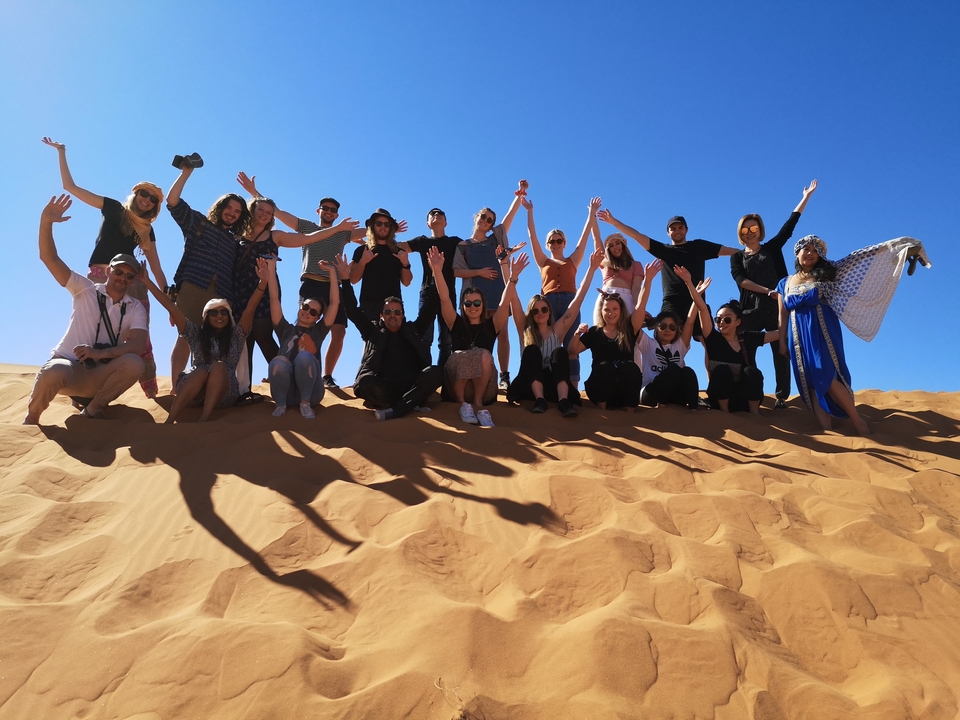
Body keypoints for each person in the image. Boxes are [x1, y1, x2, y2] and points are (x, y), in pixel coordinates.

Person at [42, 137, 167, 398]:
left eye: (153, 198)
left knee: (141, 338)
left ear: (156, 205)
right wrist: (62, 152)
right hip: (101, 276)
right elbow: (70, 186)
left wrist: (166, 294)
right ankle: (81, 383)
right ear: (136, 194)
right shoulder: (112, 208)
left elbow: (155, 265)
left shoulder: (147, 230)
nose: (147, 199)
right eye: (144, 193)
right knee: (93, 330)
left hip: (131, 280)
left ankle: (151, 392)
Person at [776, 234, 929, 435]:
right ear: (797, 253)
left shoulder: (829, 274)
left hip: (822, 329)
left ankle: (858, 421)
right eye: (806, 249)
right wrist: (781, 342)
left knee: (826, 375)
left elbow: (861, 259)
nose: (810, 253)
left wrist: (899, 248)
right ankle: (827, 431)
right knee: (810, 381)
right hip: (798, 335)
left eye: (815, 250)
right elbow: (782, 314)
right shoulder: (784, 283)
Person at [235, 173, 373, 389]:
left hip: (333, 286)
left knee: (339, 330)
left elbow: (372, 232)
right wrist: (254, 193)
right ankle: (290, 370)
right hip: (310, 283)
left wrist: (387, 226)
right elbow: (276, 212)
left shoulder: (343, 234)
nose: (328, 212)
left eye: (332, 210)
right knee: (303, 328)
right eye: (325, 208)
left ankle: (326, 376)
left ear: (337, 215)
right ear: (318, 211)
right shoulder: (306, 227)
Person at [24, 196, 147, 424]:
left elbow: (138, 344)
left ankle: (91, 412)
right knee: (54, 371)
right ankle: (32, 419)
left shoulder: (134, 306)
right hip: (69, 366)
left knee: (135, 363)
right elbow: (49, 258)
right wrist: (46, 221)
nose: (123, 278)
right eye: (119, 272)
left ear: (133, 280)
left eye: (130, 275)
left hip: (100, 373)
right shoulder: (85, 289)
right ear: (108, 271)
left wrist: (99, 354)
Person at [142, 259, 267, 423]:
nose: (219, 316)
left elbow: (250, 307)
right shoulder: (195, 333)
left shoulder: (236, 335)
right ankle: (169, 420)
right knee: (200, 371)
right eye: (213, 313)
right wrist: (146, 281)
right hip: (194, 390)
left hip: (223, 394)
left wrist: (263, 282)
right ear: (206, 317)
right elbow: (171, 307)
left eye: (223, 312)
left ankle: (204, 419)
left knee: (218, 366)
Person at [730, 180, 817, 408]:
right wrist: (768, 290)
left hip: (777, 306)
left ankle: (781, 397)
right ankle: (752, 392)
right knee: (746, 348)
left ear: (760, 230)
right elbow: (742, 281)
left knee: (781, 350)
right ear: (741, 232)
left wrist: (805, 196)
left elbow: (790, 226)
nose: (750, 233)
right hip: (750, 309)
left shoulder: (771, 248)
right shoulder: (737, 257)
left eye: (754, 229)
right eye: (746, 229)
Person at [166, 157, 252, 388]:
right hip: (194, 285)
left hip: (222, 294)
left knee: (217, 344)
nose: (232, 213)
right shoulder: (199, 223)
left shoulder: (236, 242)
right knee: (186, 336)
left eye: (237, 211)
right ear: (220, 207)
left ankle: (211, 387)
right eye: (229, 207)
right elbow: (173, 201)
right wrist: (186, 173)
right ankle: (176, 386)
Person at [427, 246, 525, 427]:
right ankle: (462, 404)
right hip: (456, 383)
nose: (473, 306)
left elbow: (504, 305)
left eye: (477, 302)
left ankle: (478, 405)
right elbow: (445, 299)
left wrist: (513, 278)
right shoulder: (455, 322)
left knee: (483, 354)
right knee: (462, 354)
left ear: (483, 304)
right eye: (468, 303)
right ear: (463, 306)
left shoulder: (491, 325)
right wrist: (437, 271)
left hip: (484, 386)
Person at [598, 208, 738, 325]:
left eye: (680, 228)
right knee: (667, 336)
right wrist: (614, 222)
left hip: (696, 300)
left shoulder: (699, 246)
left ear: (686, 230)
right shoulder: (663, 250)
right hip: (672, 302)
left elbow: (728, 250)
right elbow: (636, 235)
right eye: (673, 228)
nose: (677, 231)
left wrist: (751, 252)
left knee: (706, 340)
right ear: (668, 232)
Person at [507, 249, 604, 416]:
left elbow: (578, 298)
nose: (540, 313)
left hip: (552, 385)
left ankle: (564, 402)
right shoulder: (525, 329)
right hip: (529, 386)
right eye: (535, 311)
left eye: (544, 309)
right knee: (531, 350)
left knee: (559, 351)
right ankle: (539, 400)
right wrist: (512, 275)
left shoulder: (557, 329)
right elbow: (513, 298)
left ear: (549, 311)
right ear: (531, 314)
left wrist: (592, 269)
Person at [453, 180, 527, 391]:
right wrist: (479, 272)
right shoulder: (463, 245)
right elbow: (457, 271)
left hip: (498, 294)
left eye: (490, 220)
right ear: (476, 217)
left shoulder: (496, 238)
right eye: (483, 217)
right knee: (474, 336)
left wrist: (520, 195)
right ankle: (473, 376)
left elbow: (510, 217)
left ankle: (503, 376)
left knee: (502, 333)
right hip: (474, 299)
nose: (486, 221)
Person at [521, 195, 600, 387]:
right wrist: (530, 212)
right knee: (550, 344)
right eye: (552, 242)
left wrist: (591, 214)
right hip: (547, 305)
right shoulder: (543, 261)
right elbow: (532, 236)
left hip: (569, 302)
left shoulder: (572, 260)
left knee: (572, 346)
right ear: (548, 245)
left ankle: (572, 386)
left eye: (559, 240)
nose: (555, 244)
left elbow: (583, 240)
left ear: (564, 243)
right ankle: (550, 382)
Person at [341, 274, 443, 422]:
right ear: (381, 315)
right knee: (364, 383)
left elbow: (431, 306)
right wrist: (345, 279)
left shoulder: (414, 330)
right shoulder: (372, 331)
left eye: (397, 312)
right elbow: (351, 310)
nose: (392, 315)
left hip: (411, 384)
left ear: (403, 315)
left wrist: (435, 274)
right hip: (384, 387)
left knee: (437, 372)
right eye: (388, 312)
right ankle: (408, 405)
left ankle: (395, 410)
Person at [261, 254, 347, 419]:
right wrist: (271, 268)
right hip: (285, 392)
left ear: (318, 318)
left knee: (305, 357)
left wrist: (331, 273)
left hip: (311, 393)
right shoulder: (285, 329)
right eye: (305, 307)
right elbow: (274, 299)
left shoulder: (318, 332)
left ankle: (305, 405)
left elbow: (335, 303)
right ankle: (280, 406)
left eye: (313, 312)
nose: (307, 312)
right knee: (277, 361)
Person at [690, 293, 778, 415]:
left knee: (752, 372)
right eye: (718, 319)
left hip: (744, 400)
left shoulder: (748, 338)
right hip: (719, 398)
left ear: (738, 322)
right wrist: (693, 288)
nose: (722, 322)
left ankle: (755, 414)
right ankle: (724, 413)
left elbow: (779, 333)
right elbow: (703, 309)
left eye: (727, 319)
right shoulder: (712, 338)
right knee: (722, 370)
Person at [633, 260, 703, 409]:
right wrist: (648, 280)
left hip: (673, 395)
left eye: (672, 327)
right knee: (673, 370)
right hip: (650, 395)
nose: (667, 330)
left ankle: (695, 412)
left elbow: (690, 321)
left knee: (688, 372)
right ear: (656, 327)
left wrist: (694, 290)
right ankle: (662, 410)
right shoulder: (647, 344)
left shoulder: (680, 345)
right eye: (663, 326)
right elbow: (638, 315)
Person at [398, 208, 463, 368]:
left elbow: (475, 246)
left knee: (447, 339)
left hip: (448, 293)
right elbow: (397, 246)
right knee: (425, 336)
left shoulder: (454, 242)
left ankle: (444, 375)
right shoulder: (422, 241)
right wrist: (391, 231)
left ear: (446, 222)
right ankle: (423, 374)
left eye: (440, 213)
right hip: (427, 292)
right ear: (428, 224)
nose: (436, 215)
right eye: (432, 214)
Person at [567, 286, 648, 410]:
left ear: (621, 310)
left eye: (615, 309)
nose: (611, 313)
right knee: (606, 367)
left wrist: (648, 280)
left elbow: (640, 306)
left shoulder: (629, 329)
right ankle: (602, 410)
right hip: (599, 390)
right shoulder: (595, 332)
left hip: (621, 392)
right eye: (607, 309)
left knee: (630, 367)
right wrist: (577, 333)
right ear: (601, 311)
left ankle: (629, 412)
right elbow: (572, 351)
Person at [349, 209, 412, 321]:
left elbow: (407, 282)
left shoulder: (399, 252)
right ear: (372, 226)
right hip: (369, 305)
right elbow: (353, 279)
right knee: (370, 339)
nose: (383, 227)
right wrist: (363, 262)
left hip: (394, 306)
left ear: (391, 228)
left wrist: (405, 264)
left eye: (386, 224)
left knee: (395, 339)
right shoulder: (362, 250)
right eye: (379, 223)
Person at [594, 229, 644, 327]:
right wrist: (592, 215)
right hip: (605, 296)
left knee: (625, 331)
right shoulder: (605, 263)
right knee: (601, 330)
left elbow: (636, 289)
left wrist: (639, 308)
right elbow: (596, 238)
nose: (615, 247)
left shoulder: (635, 265)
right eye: (611, 246)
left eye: (617, 243)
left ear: (623, 245)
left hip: (626, 297)